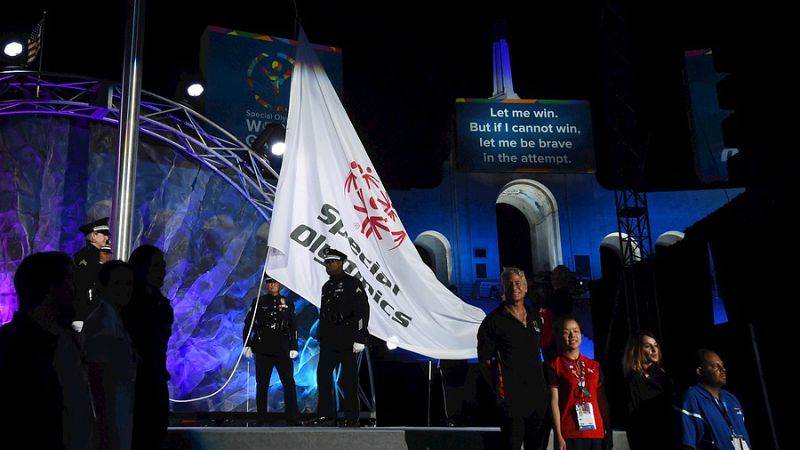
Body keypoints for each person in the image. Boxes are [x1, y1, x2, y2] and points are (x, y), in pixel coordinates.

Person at [0, 252, 92, 449]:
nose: (78, 289)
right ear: (50, 288)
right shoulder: (12, 345)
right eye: (71, 280)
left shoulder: (67, 339)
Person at [477, 267, 549, 450]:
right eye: (509, 284)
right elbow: (485, 362)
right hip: (512, 402)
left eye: (518, 283)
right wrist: (499, 390)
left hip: (538, 399)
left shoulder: (536, 319)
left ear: (525, 288)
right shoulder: (492, 322)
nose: (514, 287)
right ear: (503, 289)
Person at [307, 248, 370, 427]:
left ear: (341, 263)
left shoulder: (353, 284)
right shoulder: (327, 287)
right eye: (327, 262)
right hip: (329, 340)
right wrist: (321, 337)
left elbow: (362, 311)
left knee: (348, 379)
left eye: (333, 261)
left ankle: (351, 417)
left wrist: (360, 336)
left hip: (348, 338)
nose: (330, 265)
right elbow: (324, 315)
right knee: (323, 376)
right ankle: (326, 415)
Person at [122, 245, 173, 450]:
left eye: (163, 266)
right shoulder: (130, 305)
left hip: (156, 378)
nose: (161, 271)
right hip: (135, 383)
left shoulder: (161, 304)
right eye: (156, 266)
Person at [83, 260, 137, 450]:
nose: (125, 289)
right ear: (103, 286)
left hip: (120, 402)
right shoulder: (101, 322)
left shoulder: (115, 319)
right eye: (117, 283)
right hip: (108, 406)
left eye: (129, 284)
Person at [546, 316, 611, 450]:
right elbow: (554, 403)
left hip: (596, 432)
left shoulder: (594, 365)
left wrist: (608, 428)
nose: (572, 335)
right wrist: (558, 435)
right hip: (570, 432)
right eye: (566, 332)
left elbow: (602, 400)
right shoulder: (554, 366)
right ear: (558, 336)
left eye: (576, 331)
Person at [243, 274, 300, 425]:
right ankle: (261, 417)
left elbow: (293, 326)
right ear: (266, 285)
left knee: (288, 383)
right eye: (269, 282)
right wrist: (247, 343)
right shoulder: (259, 302)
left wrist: (294, 346)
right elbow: (248, 324)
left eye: (275, 281)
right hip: (263, 347)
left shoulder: (288, 303)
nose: (272, 285)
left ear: (280, 283)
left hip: (282, 348)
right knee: (262, 384)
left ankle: (292, 418)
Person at [679, 349, 752, 450]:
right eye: (715, 366)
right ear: (700, 371)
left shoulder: (731, 399)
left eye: (722, 365)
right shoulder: (692, 397)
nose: (723, 369)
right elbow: (688, 442)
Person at [623, 331, 674, 450]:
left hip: (669, 435)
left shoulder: (663, 376)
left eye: (655, 345)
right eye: (648, 346)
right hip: (648, 439)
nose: (654, 349)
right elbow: (633, 420)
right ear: (637, 350)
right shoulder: (633, 379)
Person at [74, 217, 110, 322]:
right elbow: (83, 283)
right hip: (88, 308)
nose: (106, 238)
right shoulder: (84, 255)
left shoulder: (101, 254)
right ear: (94, 236)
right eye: (103, 235)